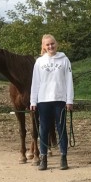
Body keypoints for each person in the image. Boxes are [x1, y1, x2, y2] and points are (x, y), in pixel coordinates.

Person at [29, 34, 74, 171]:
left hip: (59, 99)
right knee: (43, 129)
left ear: (56, 44)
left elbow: (68, 81)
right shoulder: (39, 62)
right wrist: (33, 101)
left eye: (52, 43)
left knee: (61, 129)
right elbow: (35, 82)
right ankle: (43, 158)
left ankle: (63, 157)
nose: (50, 46)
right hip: (43, 100)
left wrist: (69, 100)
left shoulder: (64, 60)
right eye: (47, 44)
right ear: (43, 46)